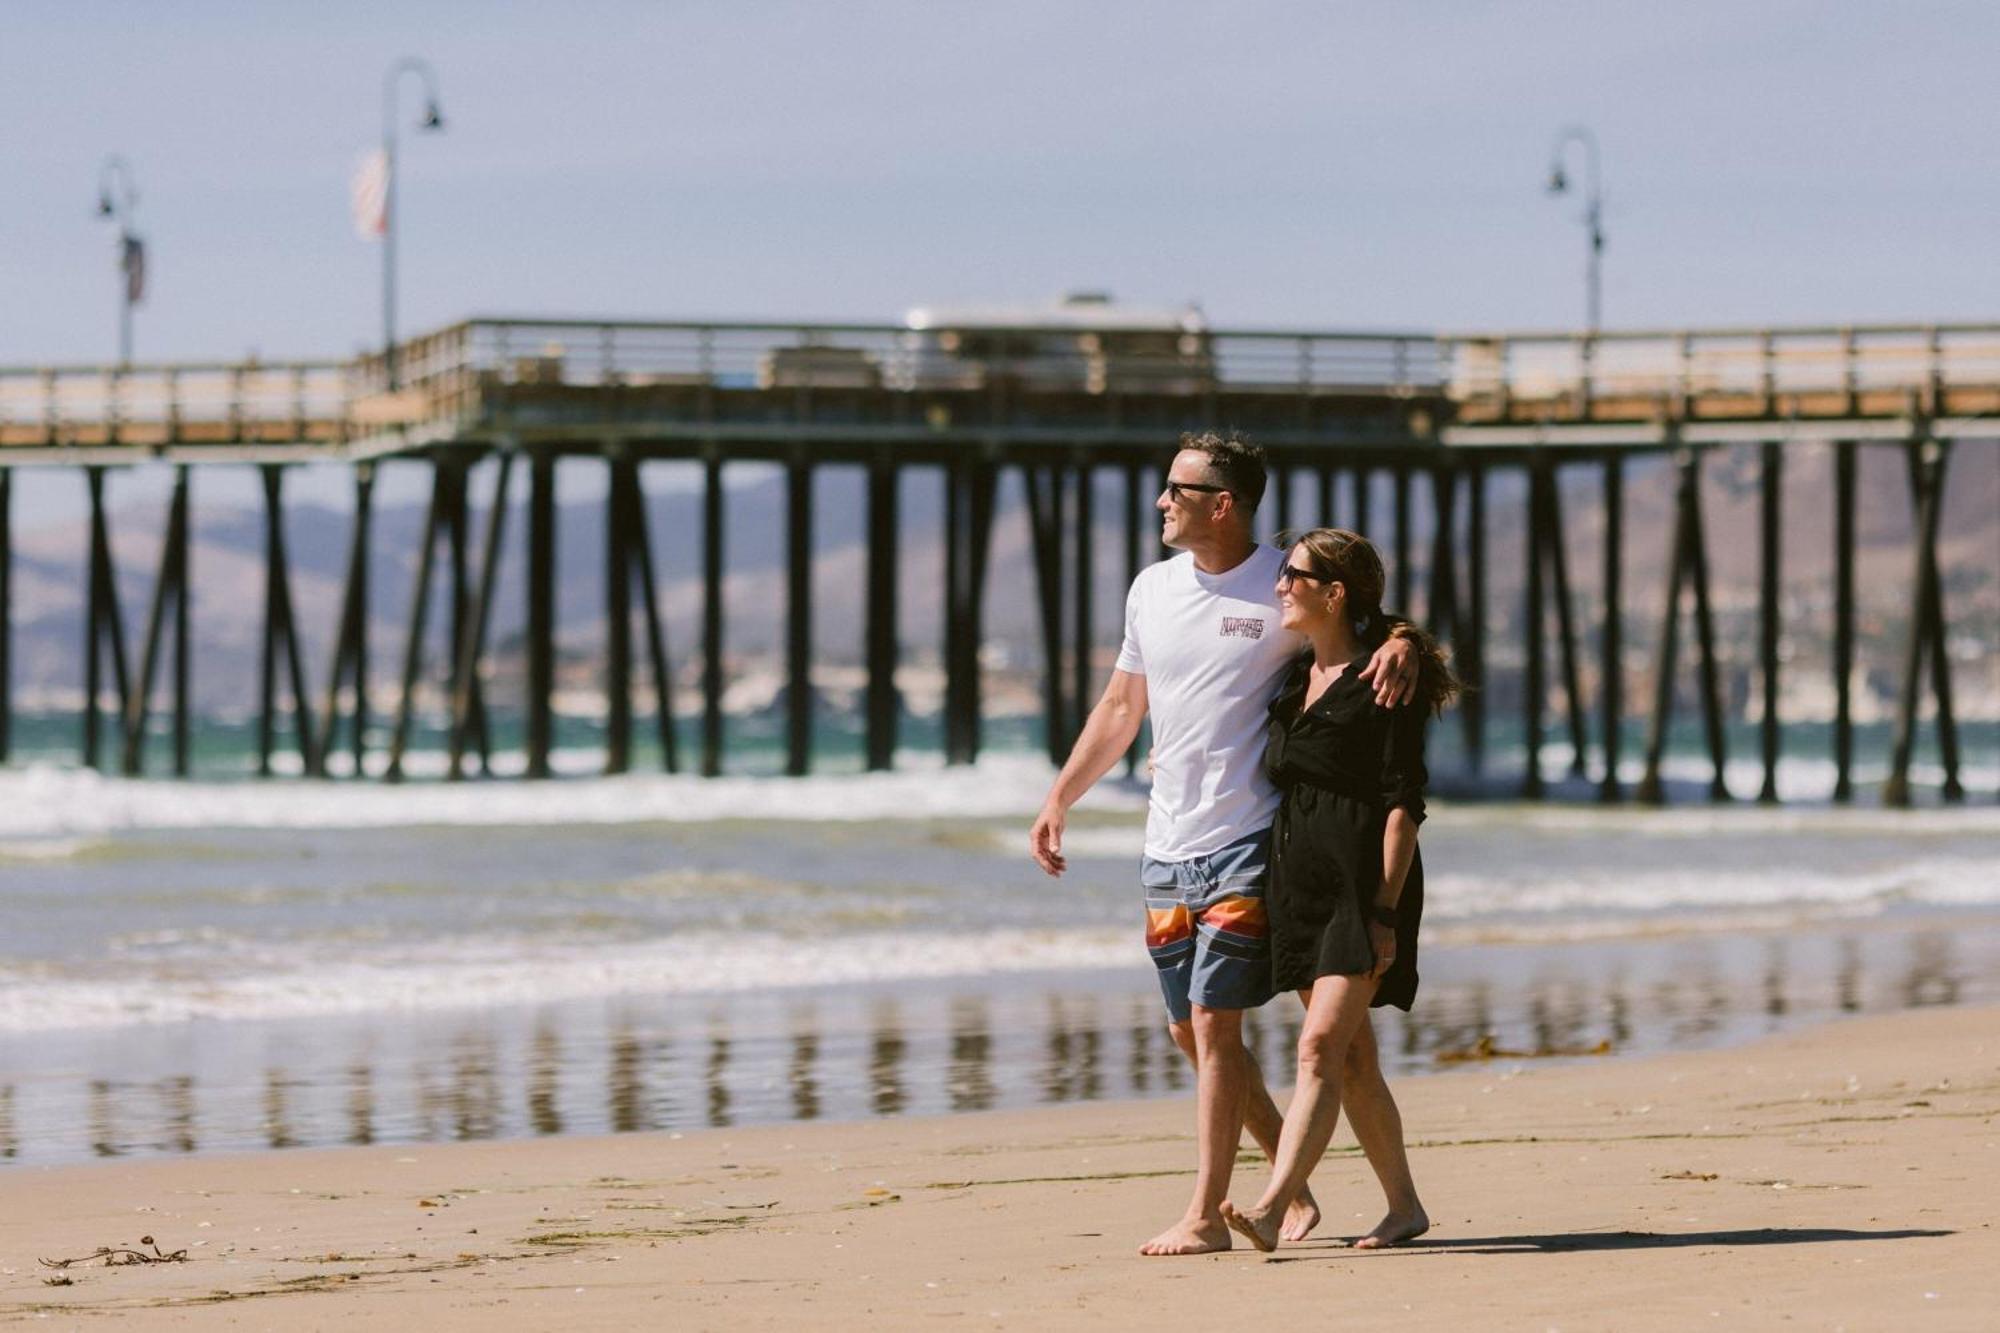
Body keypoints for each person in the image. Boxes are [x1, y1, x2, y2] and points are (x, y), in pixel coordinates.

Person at [1029, 434, 1418, 1257]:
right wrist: (1061, 795)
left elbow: (1367, 621)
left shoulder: (1280, 585)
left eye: (1178, 487)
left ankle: (1209, 1214)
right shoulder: (1151, 588)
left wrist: (1407, 641)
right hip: (1166, 843)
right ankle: (1292, 1176)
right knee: (1188, 1033)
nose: (1162, 500)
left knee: (1215, 1027)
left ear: (1224, 503)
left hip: (1250, 840)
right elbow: (1120, 705)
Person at [1221, 527, 1459, 1253]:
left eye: (1295, 576)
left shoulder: (1388, 681)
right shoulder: (1293, 679)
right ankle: (1405, 1206)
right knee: (1353, 1056)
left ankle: (1271, 1204)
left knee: (1320, 1045)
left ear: (1335, 594)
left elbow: (1402, 805)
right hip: (1297, 886)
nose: (1280, 585)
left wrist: (1385, 911)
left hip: (1362, 890)